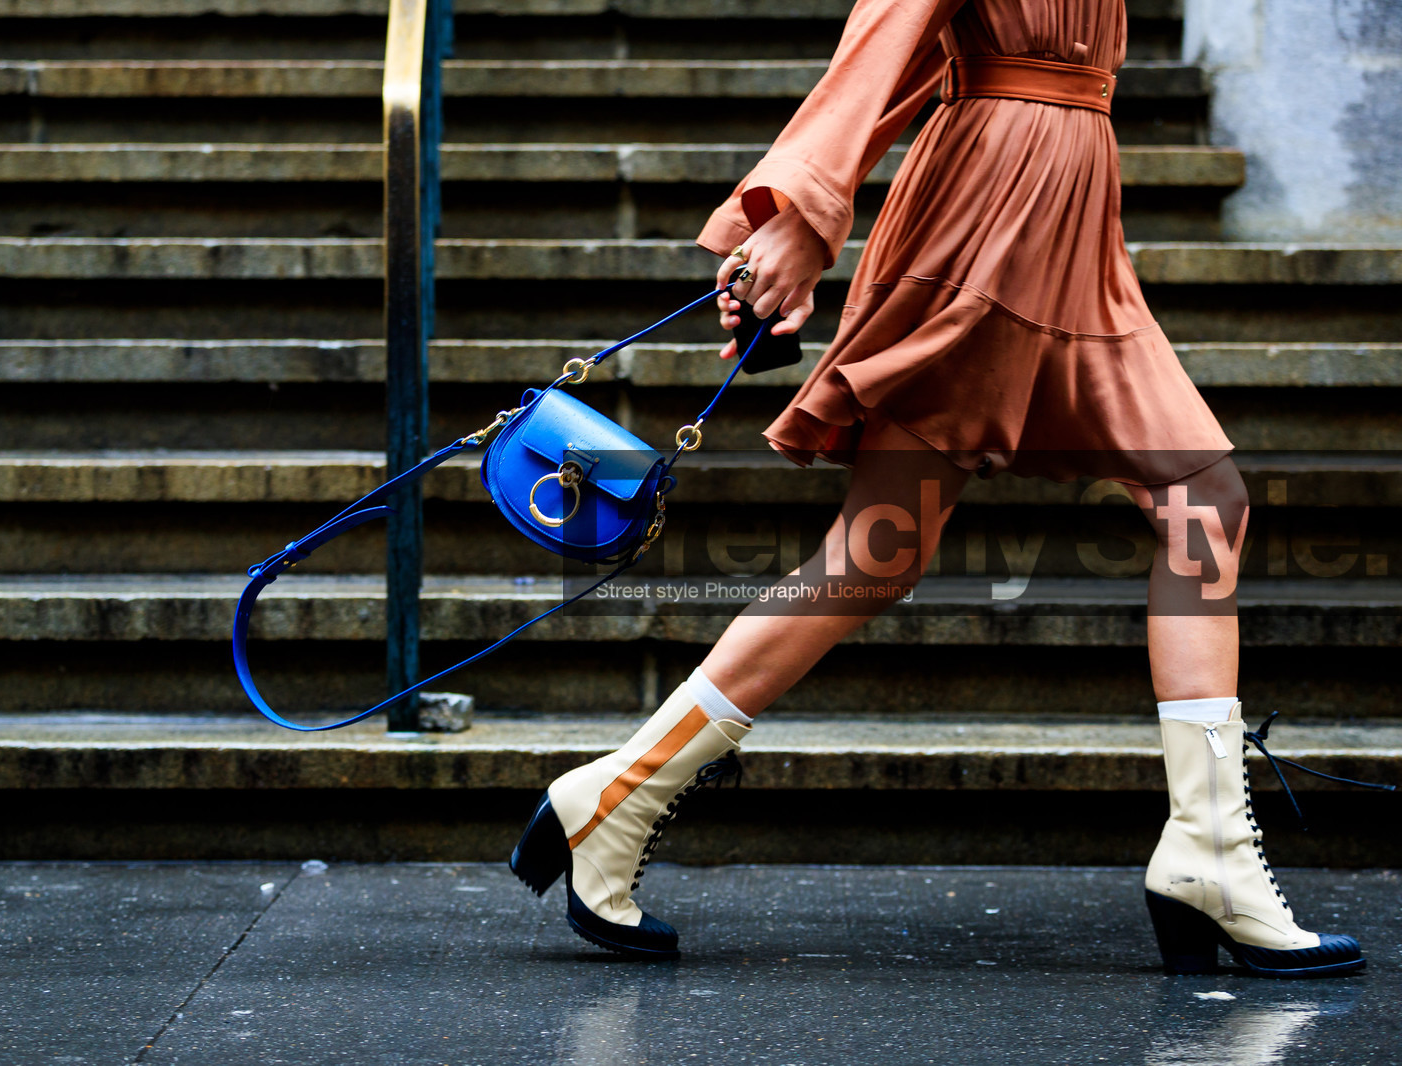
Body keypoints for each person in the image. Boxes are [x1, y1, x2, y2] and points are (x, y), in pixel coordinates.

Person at [508, 0, 1368, 976]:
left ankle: (1209, 854)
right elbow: (899, 22)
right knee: (891, 544)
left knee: (1181, 504)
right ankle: (616, 797)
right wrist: (801, 211)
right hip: (995, 203)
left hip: (1068, 204)